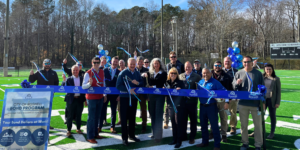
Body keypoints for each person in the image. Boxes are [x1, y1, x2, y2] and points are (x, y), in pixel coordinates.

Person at [232, 56, 265, 150]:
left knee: (258, 125)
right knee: (243, 125)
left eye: (248, 62)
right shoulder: (239, 73)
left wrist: (262, 102)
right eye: (244, 62)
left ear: (252, 63)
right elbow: (234, 87)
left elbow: (263, 89)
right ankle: (245, 143)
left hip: (255, 104)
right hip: (243, 104)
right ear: (243, 63)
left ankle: (258, 144)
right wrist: (236, 84)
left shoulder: (258, 74)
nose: (246, 64)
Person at [196, 67, 228, 150]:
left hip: (212, 107)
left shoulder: (215, 82)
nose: (205, 74)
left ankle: (217, 145)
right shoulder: (200, 82)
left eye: (207, 73)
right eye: (203, 73)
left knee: (214, 126)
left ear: (211, 73)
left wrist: (226, 101)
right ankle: (204, 142)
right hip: (202, 106)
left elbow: (225, 92)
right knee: (203, 125)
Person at [116, 58, 143, 146]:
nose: (132, 66)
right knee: (124, 119)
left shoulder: (137, 73)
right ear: (128, 64)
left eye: (133, 64)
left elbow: (142, 82)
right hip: (124, 98)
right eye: (130, 64)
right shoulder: (123, 73)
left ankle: (132, 135)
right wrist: (128, 90)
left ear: (135, 64)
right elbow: (118, 85)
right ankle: (124, 138)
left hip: (134, 98)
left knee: (132, 117)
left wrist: (138, 83)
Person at [82, 57, 107, 144]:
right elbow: (83, 86)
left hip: (100, 97)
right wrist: (89, 83)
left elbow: (103, 83)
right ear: (92, 63)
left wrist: (104, 94)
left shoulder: (102, 71)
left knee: (97, 117)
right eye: (95, 62)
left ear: (100, 63)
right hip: (91, 98)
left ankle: (96, 133)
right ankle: (90, 136)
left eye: (98, 62)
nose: (96, 64)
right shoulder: (88, 73)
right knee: (91, 118)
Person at [142, 58, 167, 143]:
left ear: (160, 64)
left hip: (160, 96)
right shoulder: (149, 73)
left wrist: (153, 86)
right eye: (154, 63)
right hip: (151, 96)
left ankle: (158, 136)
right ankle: (154, 132)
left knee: (158, 115)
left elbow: (160, 83)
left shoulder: (164, 73)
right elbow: (148, 83)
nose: (156, 65)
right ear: (152, 64)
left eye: (157, 63)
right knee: (152, 114)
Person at [29, 58, 59, 129]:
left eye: (48, 64)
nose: (47, 65)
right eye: (45, 63)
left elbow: (56, 83)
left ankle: (47, 124)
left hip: (49, 95)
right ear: (43, 64)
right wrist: (31, 75)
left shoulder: (54, 73)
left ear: (50, 64)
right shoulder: (39, 72)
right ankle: (38, 124)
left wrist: (53, 91)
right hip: (40, 95)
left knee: (48, 110)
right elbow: (31, 81)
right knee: (39, 110)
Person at [178, 61, 201, 144]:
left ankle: (192, 137)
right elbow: (177, 85)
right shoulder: (180, 76)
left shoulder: (197, 77)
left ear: (192, 67)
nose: (187, 68)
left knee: (193, 120)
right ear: (184, 68)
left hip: (192, 102)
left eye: (189, 66)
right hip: (182, 102)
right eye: (186, 67)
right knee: (183, 120)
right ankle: (184, 135)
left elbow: (200, 87)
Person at [98, 56, 121, 134]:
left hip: (114, 95)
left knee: (113, 111)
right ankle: (99, 126)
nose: (115, 63)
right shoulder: (105, 70)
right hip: (105, 94)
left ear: (118, 63)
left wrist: (119, 95)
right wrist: (104, 94)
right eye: (114, 61)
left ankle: (112, 127)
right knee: (102, 110)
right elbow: (102, 82)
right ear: (111, 62)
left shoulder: (119, 72)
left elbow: (120, 85)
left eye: (116, 62)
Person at [62, 65, 86, 137]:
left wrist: (85, 100)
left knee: (79, 115)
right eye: (74, 70)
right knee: (70, 116)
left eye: (76, 70)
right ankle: (68, 130)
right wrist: (63, 80)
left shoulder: (82, 79)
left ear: (79, 70)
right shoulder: (68, 79)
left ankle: (78, 128)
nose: (75, 71)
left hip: (79, 99)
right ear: (71, 71)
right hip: (71, 100)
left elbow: (85, 90)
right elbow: (63, 87)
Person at [211, 61, 231, 142]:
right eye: (215, 65)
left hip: (222, 101)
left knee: (224, 118)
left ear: (221, 66)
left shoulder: (227, 76)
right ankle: (212, 132)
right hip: (212, 100)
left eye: (219, 65)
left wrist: (227, 102)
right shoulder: (210, 75)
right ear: (213, 66)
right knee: (212, 118)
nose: (217, 67)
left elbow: (229, 90)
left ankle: (224, 134)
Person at [165, 68, 185, 148]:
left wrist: (181, 90)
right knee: (173, 123)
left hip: (178, 106)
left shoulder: (180, 82)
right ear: (169, 74)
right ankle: (174, 139)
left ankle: (179, 141)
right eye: (171, 73)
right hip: (170, 105)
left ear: (177, 74)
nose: (173, 74)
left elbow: (184, 92)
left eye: (174, 73)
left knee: (178, 123)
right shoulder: (167, 83)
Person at [164, 51, 184, 129]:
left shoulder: (180, 65)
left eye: (174, 57)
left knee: (176, 105)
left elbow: (182, 76)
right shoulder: (166, 66)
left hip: (177, 86)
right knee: (167, 105)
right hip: (169, 85)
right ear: (169, 58)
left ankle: (177, 121)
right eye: (172, 57)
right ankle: (166, 122)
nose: (173, 58)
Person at [263, 63, 281, 139]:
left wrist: (277, 102)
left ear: (272, 70)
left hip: (271, 100)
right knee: (259, 116)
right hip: (263, 100)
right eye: (267, 69)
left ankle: (272, 132)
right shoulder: (262, 77)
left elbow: (278, 91)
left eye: (270, 69)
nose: (268, 71)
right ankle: (258, 131)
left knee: (272, 116)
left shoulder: (276, 79)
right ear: (264, 70)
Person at [222, 56, 238, 134]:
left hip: (233, 95)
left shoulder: (235, 71)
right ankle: (224, 127)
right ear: (223, 62)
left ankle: (233, 127)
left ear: (231, 62)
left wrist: (236, 95)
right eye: (225, 61)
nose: (227, 63)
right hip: (222, 96)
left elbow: (238, 84)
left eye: (228, 61)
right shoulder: (220, 71)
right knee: (223, 112)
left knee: (233, 112)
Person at [136, 56, 149, 133]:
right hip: (134, 92)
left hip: (143, 93)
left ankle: (144, 125)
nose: (140, 63)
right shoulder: (133, 69)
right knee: (132, 108)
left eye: (142, 62)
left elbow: (148, 82)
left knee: (143, 109)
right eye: (139, 61)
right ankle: (132, 123)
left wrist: (147, 94)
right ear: (137, 62)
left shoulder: (146, 70)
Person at [116, 59, 126, 125]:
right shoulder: (117, 71)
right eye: (120, 63)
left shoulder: (127, 70)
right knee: (119, 107)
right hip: (119, 93)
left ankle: (130, 120)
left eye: (122, 63)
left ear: (125, 63)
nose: (121, 64)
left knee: (129, 107)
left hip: (127, 92)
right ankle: (120, 120)